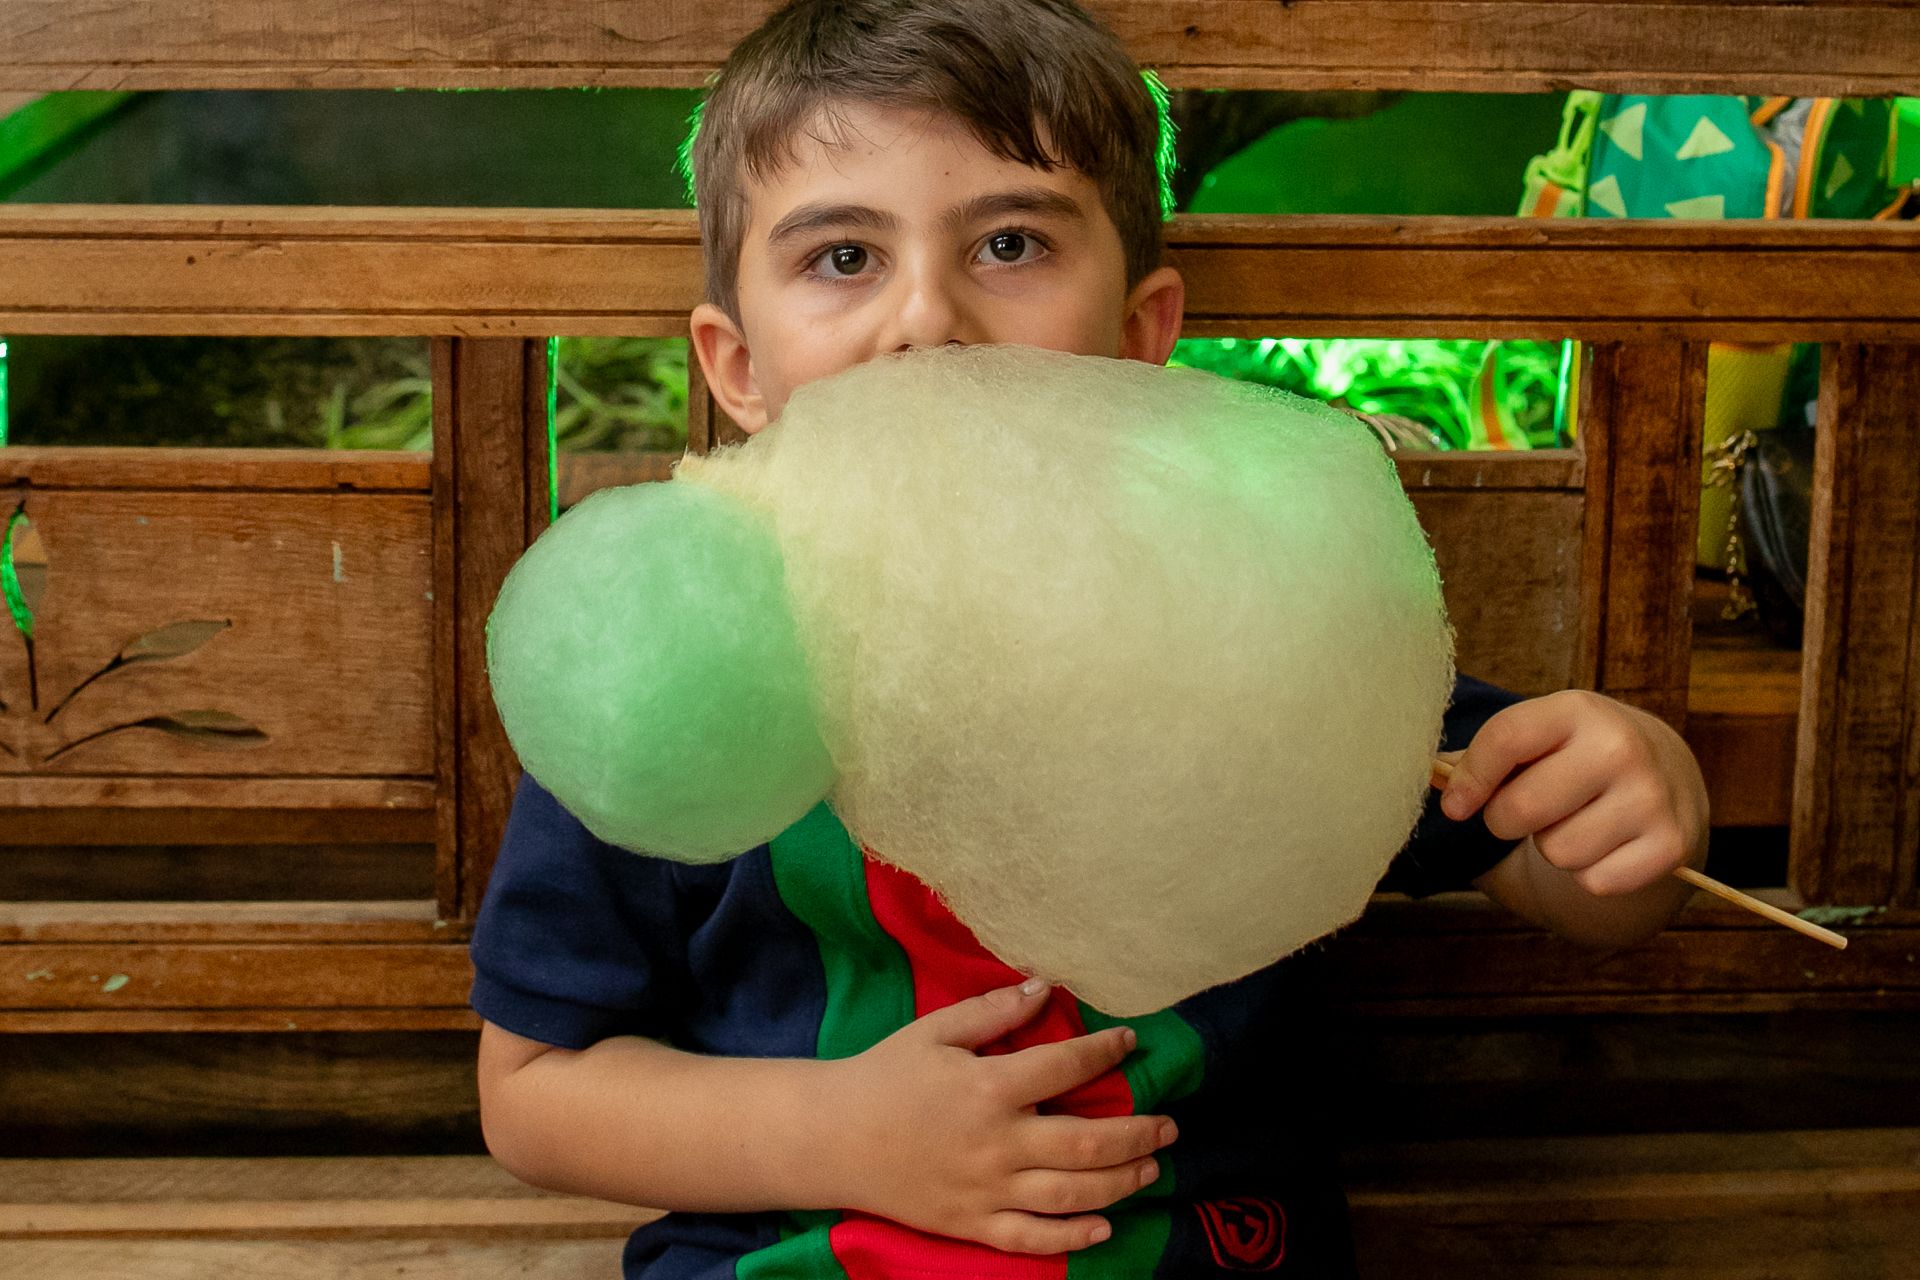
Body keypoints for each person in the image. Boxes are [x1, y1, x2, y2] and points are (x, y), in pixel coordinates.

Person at [471, 2, 1712, 1276]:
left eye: (1008, 243)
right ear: (737, 367)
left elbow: (1558, 867)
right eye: (842, 258)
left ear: (1135, 335)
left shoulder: (1243, 615)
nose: (926, 321)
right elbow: (532, 1088)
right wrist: (837, 1132)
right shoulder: (678, 661)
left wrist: (1633, 797)